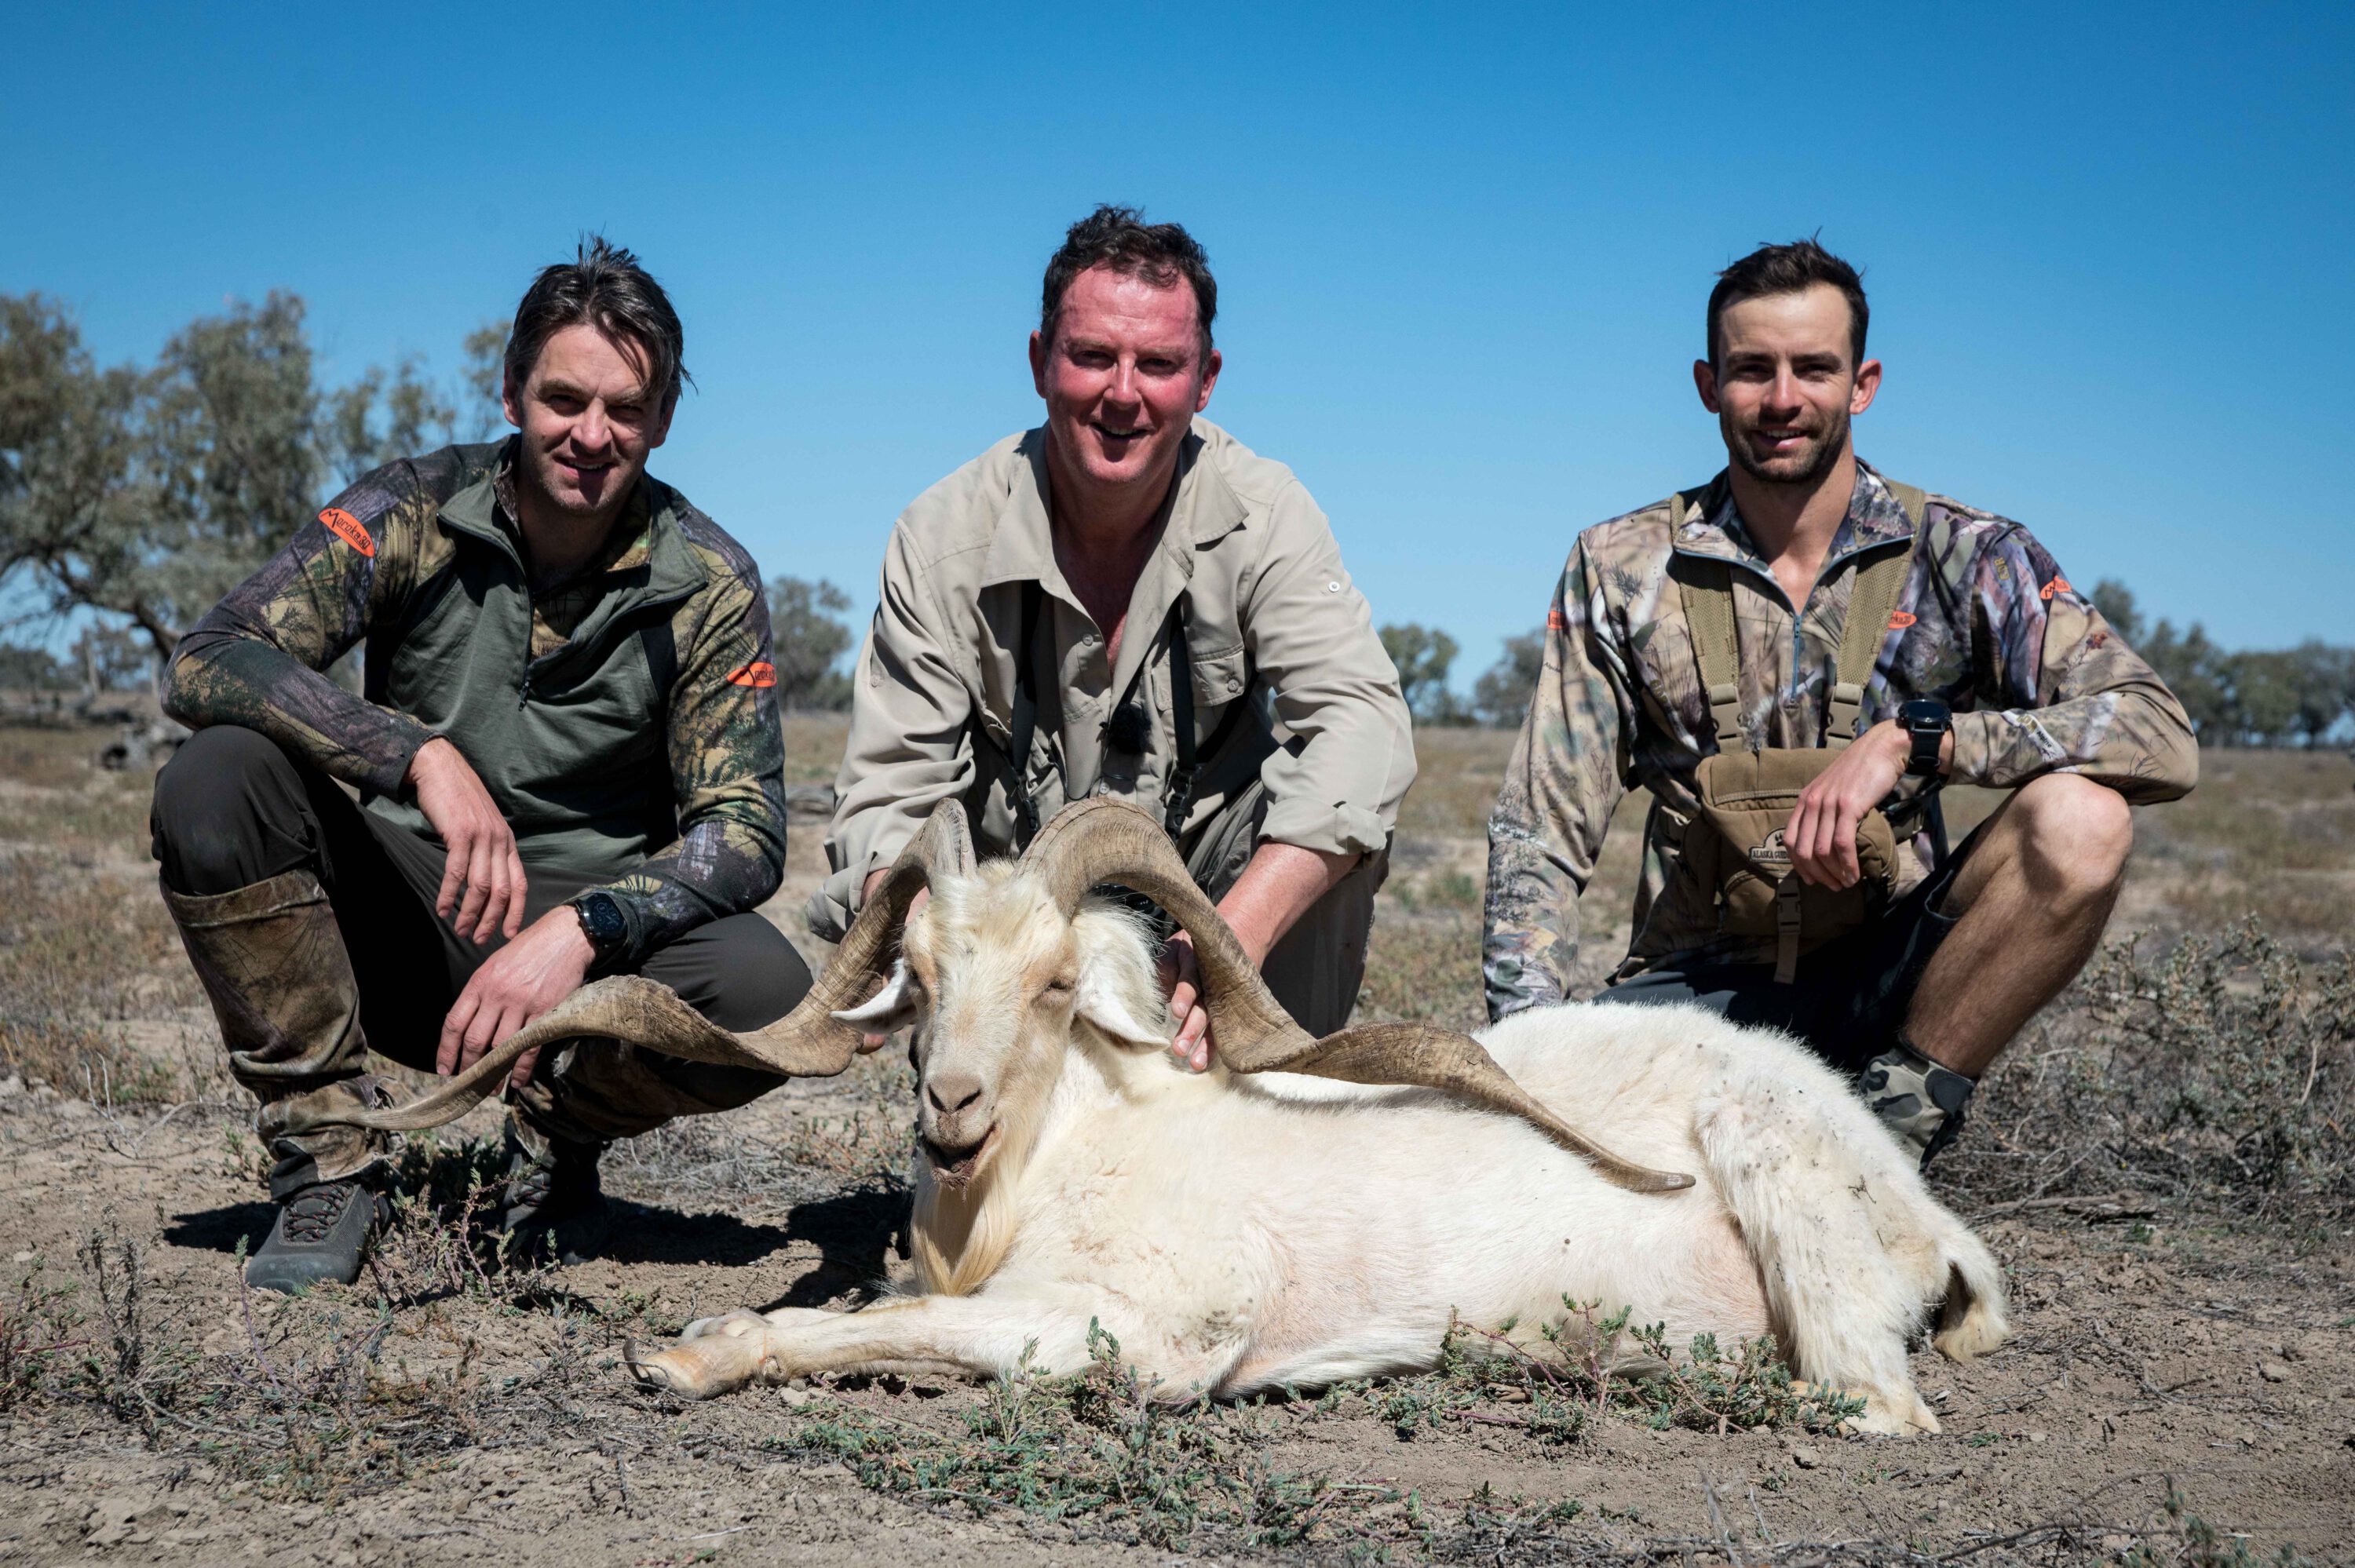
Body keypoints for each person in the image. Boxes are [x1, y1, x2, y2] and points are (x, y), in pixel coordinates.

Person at [154, 238, 805, 1290]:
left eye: (625, 410)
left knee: (765, 988)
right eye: (563, 398)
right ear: (510, 393)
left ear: (663, 421)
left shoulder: (710, 579)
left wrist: (583, 929)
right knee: (214, 777)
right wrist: (416, 757)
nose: (591, 435)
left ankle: (553, 1137)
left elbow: (747, 827)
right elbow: (208, 656)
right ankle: (327, 1157)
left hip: (578, 968)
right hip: (404, 910)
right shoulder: (410, 508)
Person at [1482, 239, 2198, 1166]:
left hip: (1894, 983)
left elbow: (2161, 733)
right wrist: (1530, 1060)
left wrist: (1922, 738)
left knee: (2082, 819)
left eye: (1813, 368)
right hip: (1694, 991)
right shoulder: (1620, 565)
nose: (1784, 399)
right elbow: (1539, 828)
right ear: (1708, 386)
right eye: (1752, 370)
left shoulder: (1967, 552)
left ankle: (1891, 1136)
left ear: (1862, 384)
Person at [815, 206, 1414, 1057]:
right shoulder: (941, 533)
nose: (1123, 393)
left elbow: (1365, 724)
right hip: (1021, 914)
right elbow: (888, 787)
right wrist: (921, 934)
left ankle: (1271, 1085)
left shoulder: (1268, 510)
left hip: (1209, 901)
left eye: (1159, 364)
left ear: (1204, 381)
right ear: (1039, 363)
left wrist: (1227, 941)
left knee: (1343, 814)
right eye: (1093, 356)